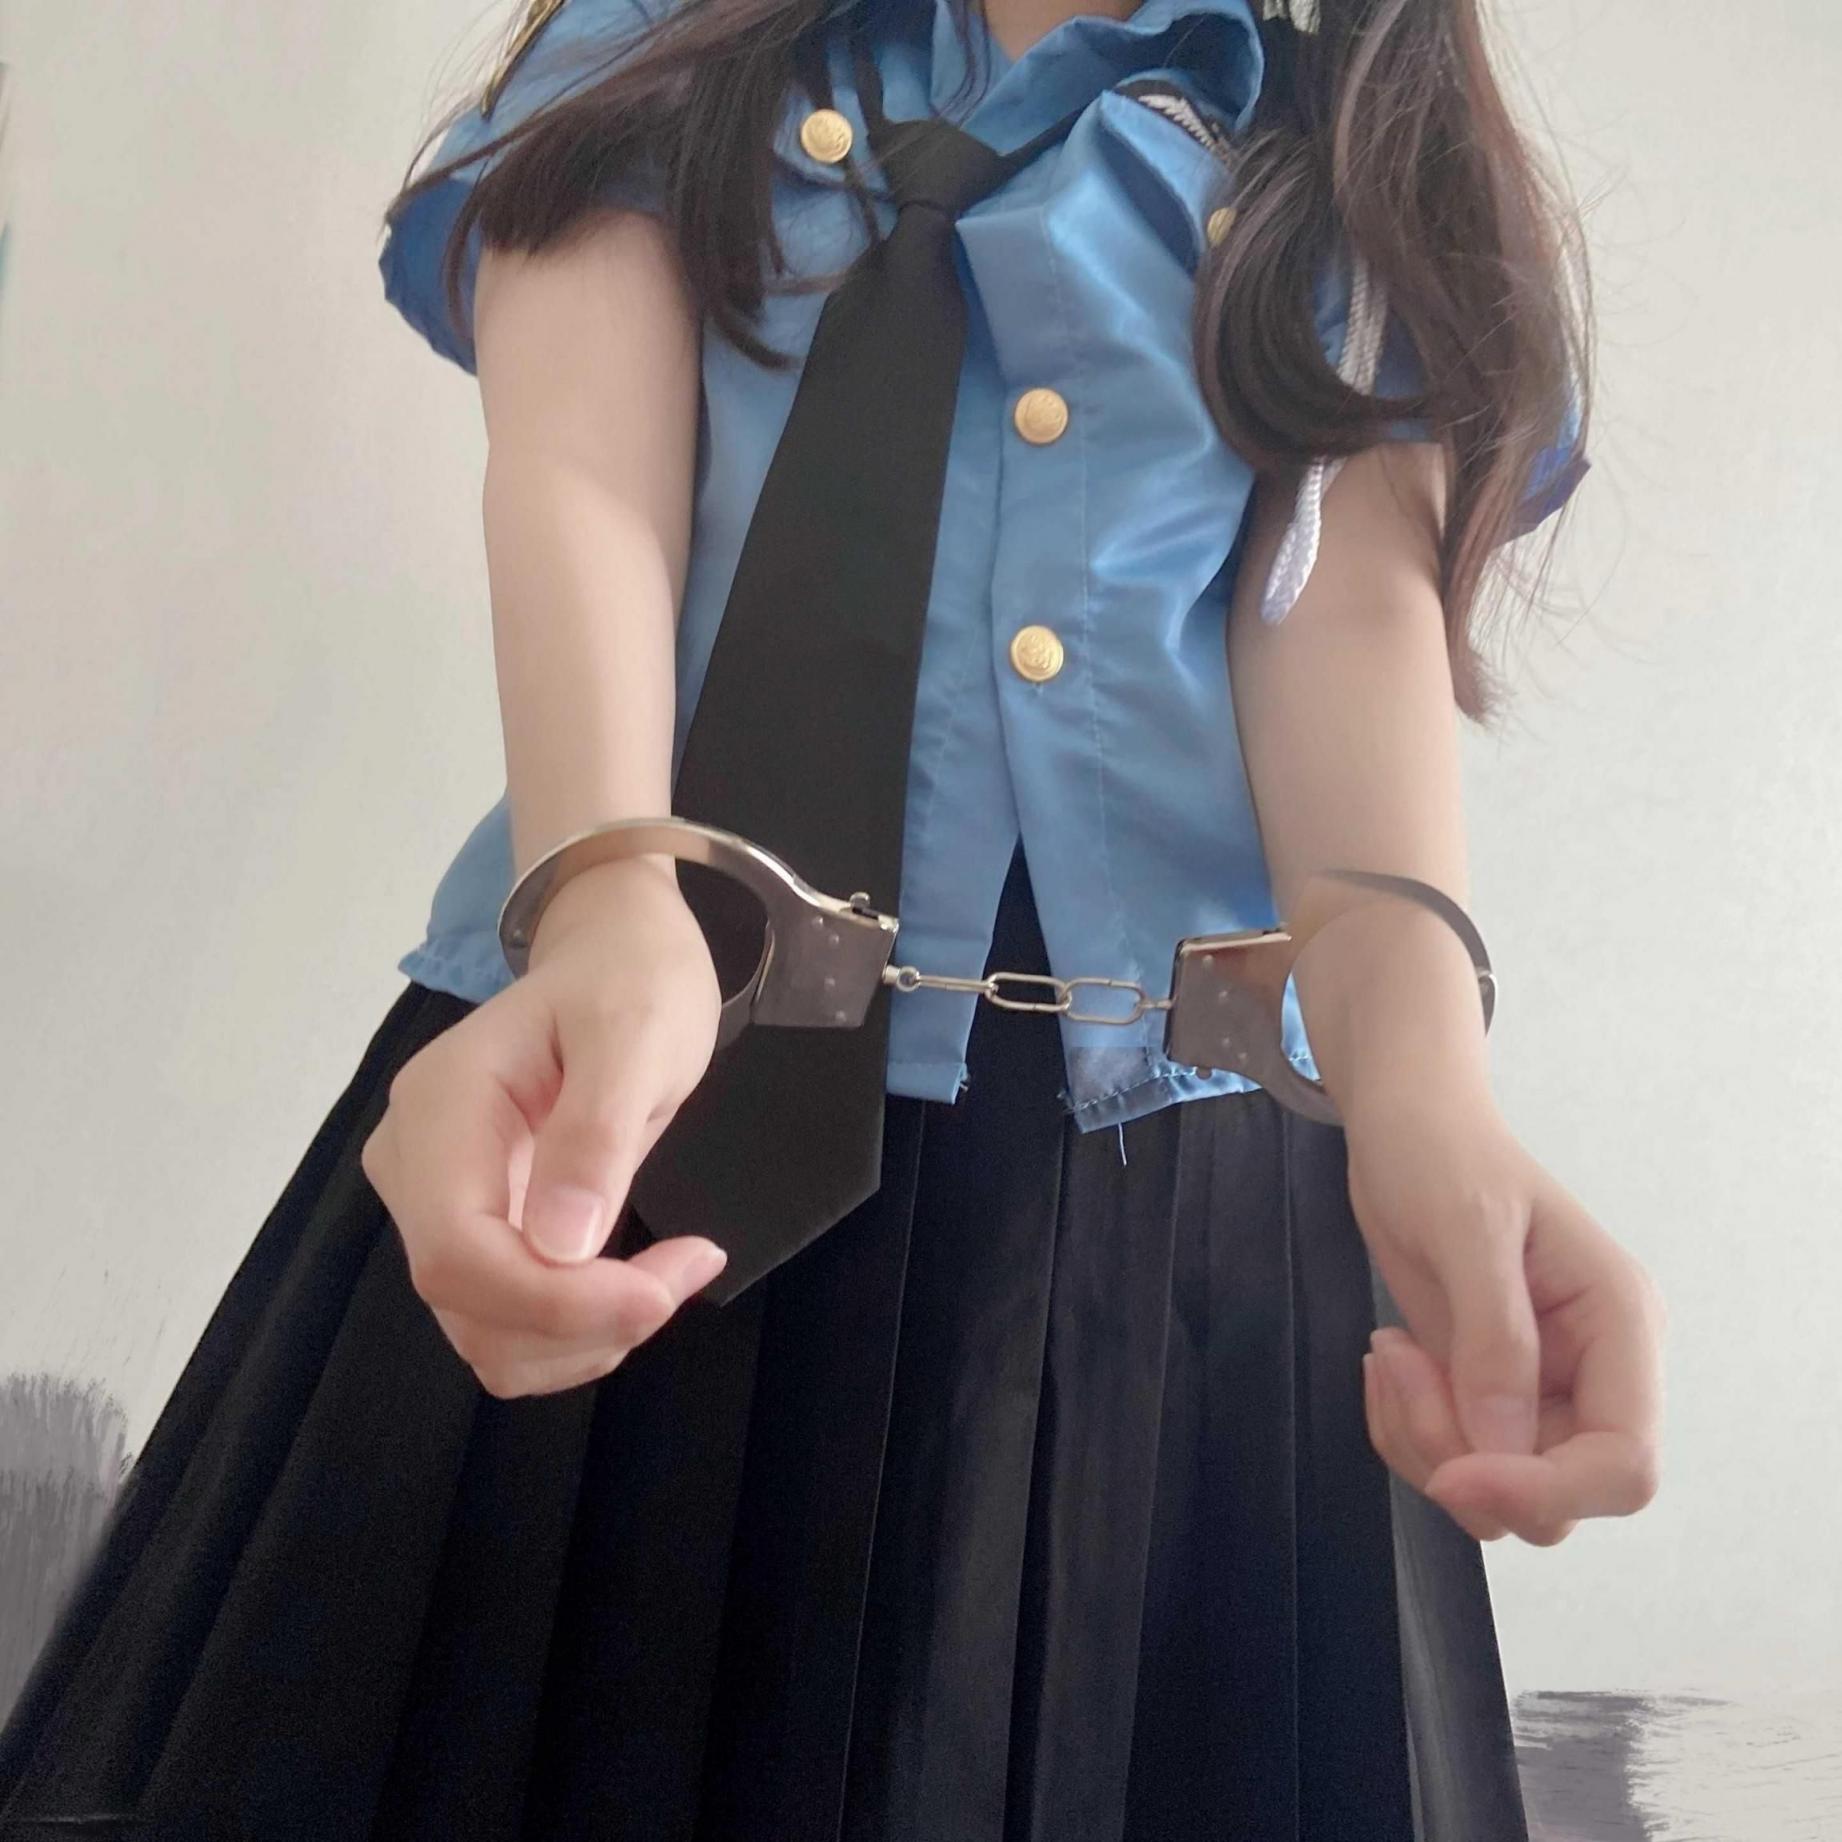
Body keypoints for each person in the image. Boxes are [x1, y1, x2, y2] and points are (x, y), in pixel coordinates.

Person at [0, 0, 1666, 1835]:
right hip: (623, 1088)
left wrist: (1426, 1095)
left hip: (1156, 1228)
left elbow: (1345, 621)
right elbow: (579, 481)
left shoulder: (1349, 164)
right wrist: (610, 899)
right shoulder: (655, 59)